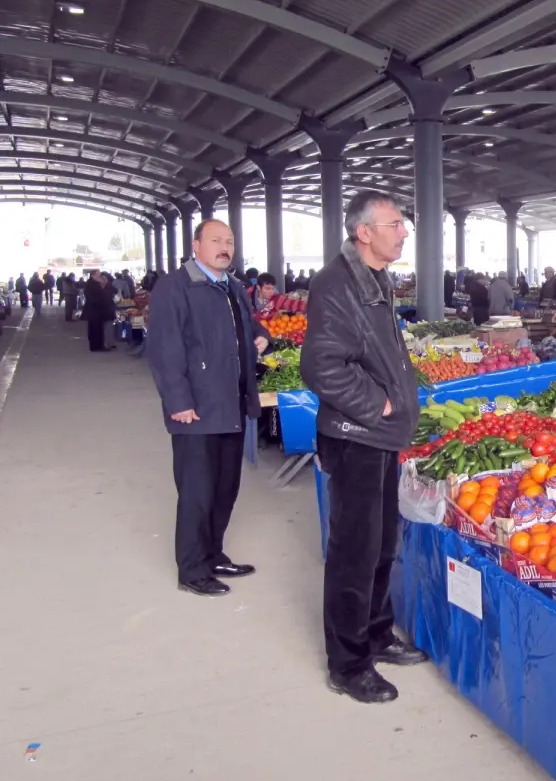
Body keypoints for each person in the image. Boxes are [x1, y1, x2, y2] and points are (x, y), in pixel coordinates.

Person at [300, 190, 427, 704]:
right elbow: (320, 366)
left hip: (379, 439)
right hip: (356, 438)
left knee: (381, 544)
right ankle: (349, 664)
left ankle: (376, 634)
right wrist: (380, 404)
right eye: (395, 224)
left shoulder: (374, 278)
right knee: (354, 552)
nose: (403, 232)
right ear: (364, 232)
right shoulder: (337, 284)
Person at [146, 219, 269, 597]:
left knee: (224, 488)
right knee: (197, 491)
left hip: (230, 404)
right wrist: (178, 401)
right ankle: (192, 568)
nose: (225, 247)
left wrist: (262, 336)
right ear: (196, 244)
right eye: (216, 240)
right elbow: (165, 349)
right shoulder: (175, 287)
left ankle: (213, 554)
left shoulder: (232, 286)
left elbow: (245, 329)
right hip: (196, 409)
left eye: (230, 241)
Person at [82, 271, 115, 349]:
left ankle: (97, 346)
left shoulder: (90, 283)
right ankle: (98, 346)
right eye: (98, 274)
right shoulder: (93, 284)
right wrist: (103, 286)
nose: (100, 276)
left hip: (94, 310)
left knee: (94, 329)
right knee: (96, 329)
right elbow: (98, 296)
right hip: (95, 310)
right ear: (94, 275)